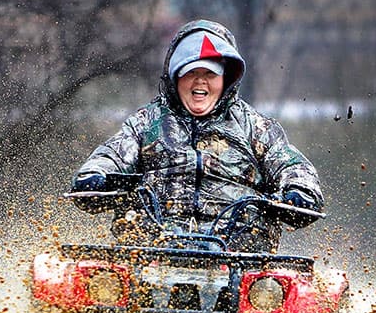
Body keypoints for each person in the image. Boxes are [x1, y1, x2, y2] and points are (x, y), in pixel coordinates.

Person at [72, 19, 324, 252]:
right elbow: (111, 155)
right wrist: (96, 176)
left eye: (210, 74)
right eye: (191, 72)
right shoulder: (146, 122)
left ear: (226, 79)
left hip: (240, 259)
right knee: (60, 280)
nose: (199, 82)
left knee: (310, 293)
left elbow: (292, 165)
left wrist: (299, 191)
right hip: (148, 253)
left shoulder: (255, 127)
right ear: (175, 76)